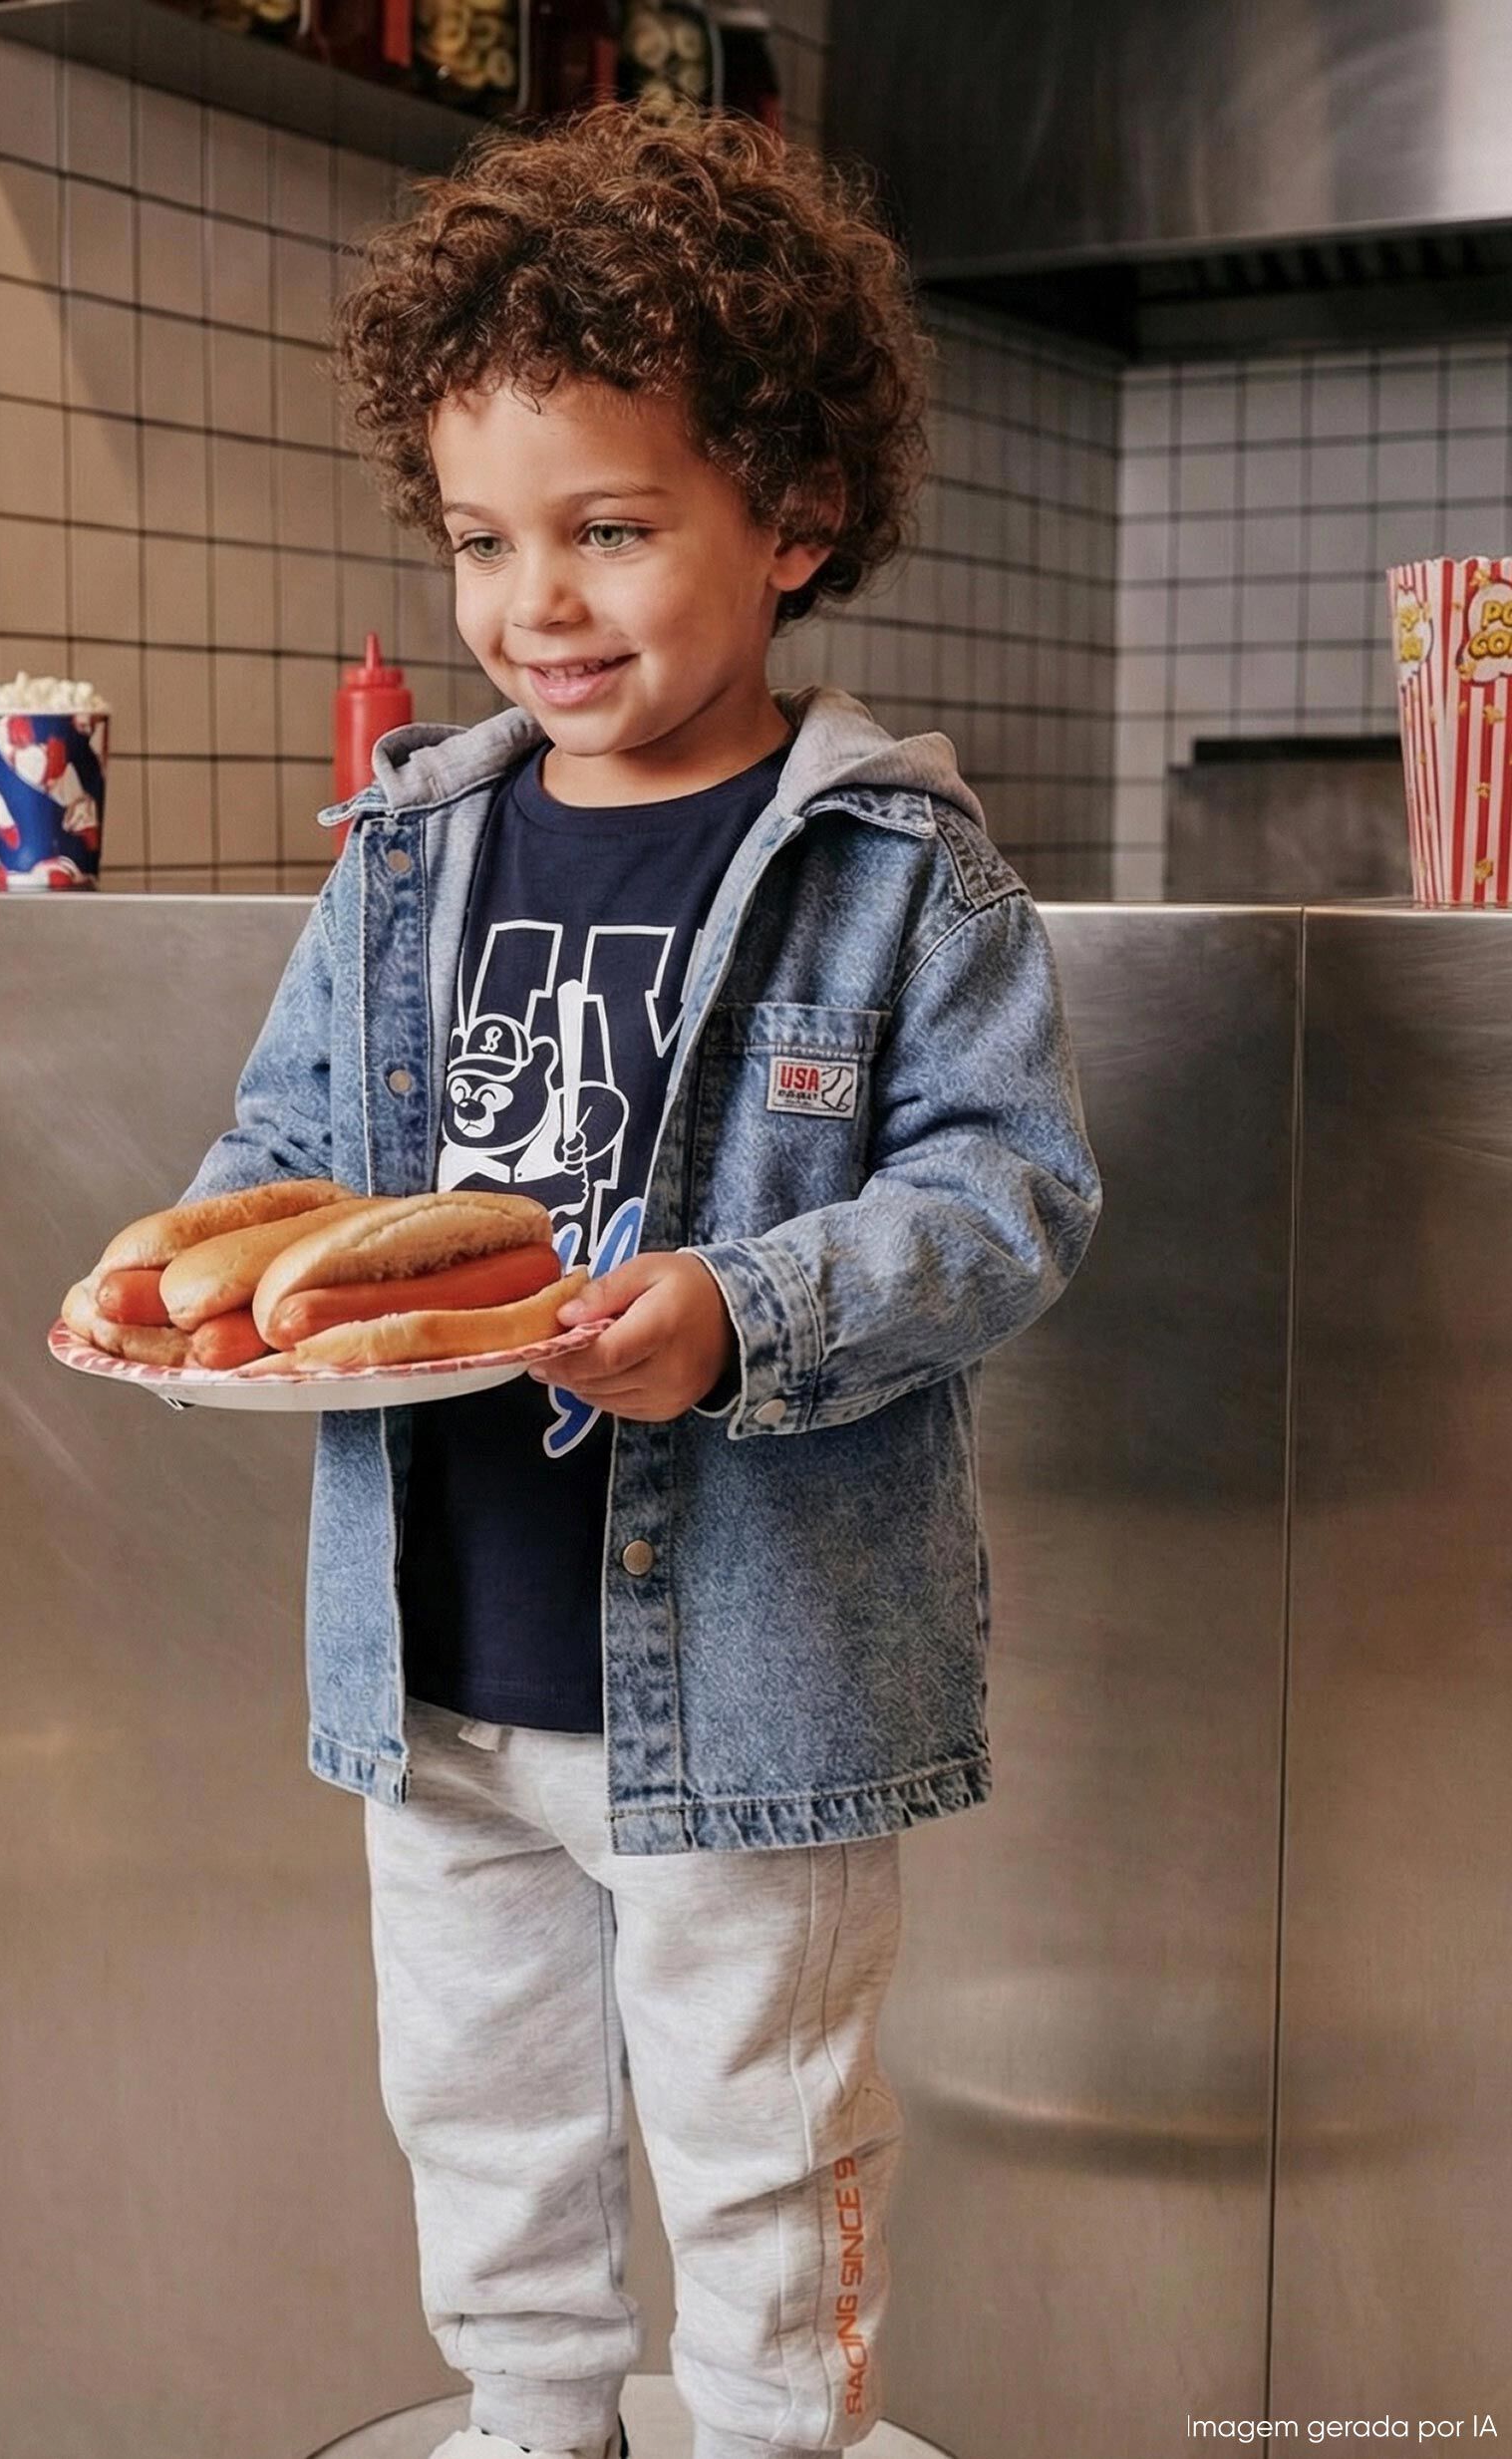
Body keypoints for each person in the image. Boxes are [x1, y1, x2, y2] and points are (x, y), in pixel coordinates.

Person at [176, 103, 1103, 2459]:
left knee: (765, 2137)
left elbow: (1007, 1196)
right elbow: (285, 1152)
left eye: (610, 529)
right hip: (446, 1636)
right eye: (487, 541)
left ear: (791, 517)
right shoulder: (411, 846)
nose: (539, 605)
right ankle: (530, 2418)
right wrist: (203, 1278)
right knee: (480, 2111)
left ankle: (777, 2436)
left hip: (757, 1665)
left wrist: (742, 1310)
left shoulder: (898, 865)